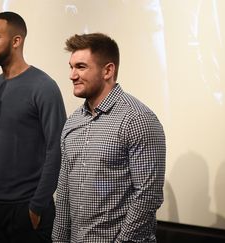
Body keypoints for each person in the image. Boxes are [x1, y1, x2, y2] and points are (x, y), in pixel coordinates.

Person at [52, 33, 166, 243]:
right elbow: (65, 191)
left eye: (81, 67)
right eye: (71, 67)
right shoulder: (73, 122)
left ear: (108, 70)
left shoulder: (138, 119)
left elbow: (148, 195)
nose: (72, 75)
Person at [0, 11, 67, 243]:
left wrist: (37, 206)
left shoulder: (43, 87)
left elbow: (57, 149)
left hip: (28, 207)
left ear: (16, 41)